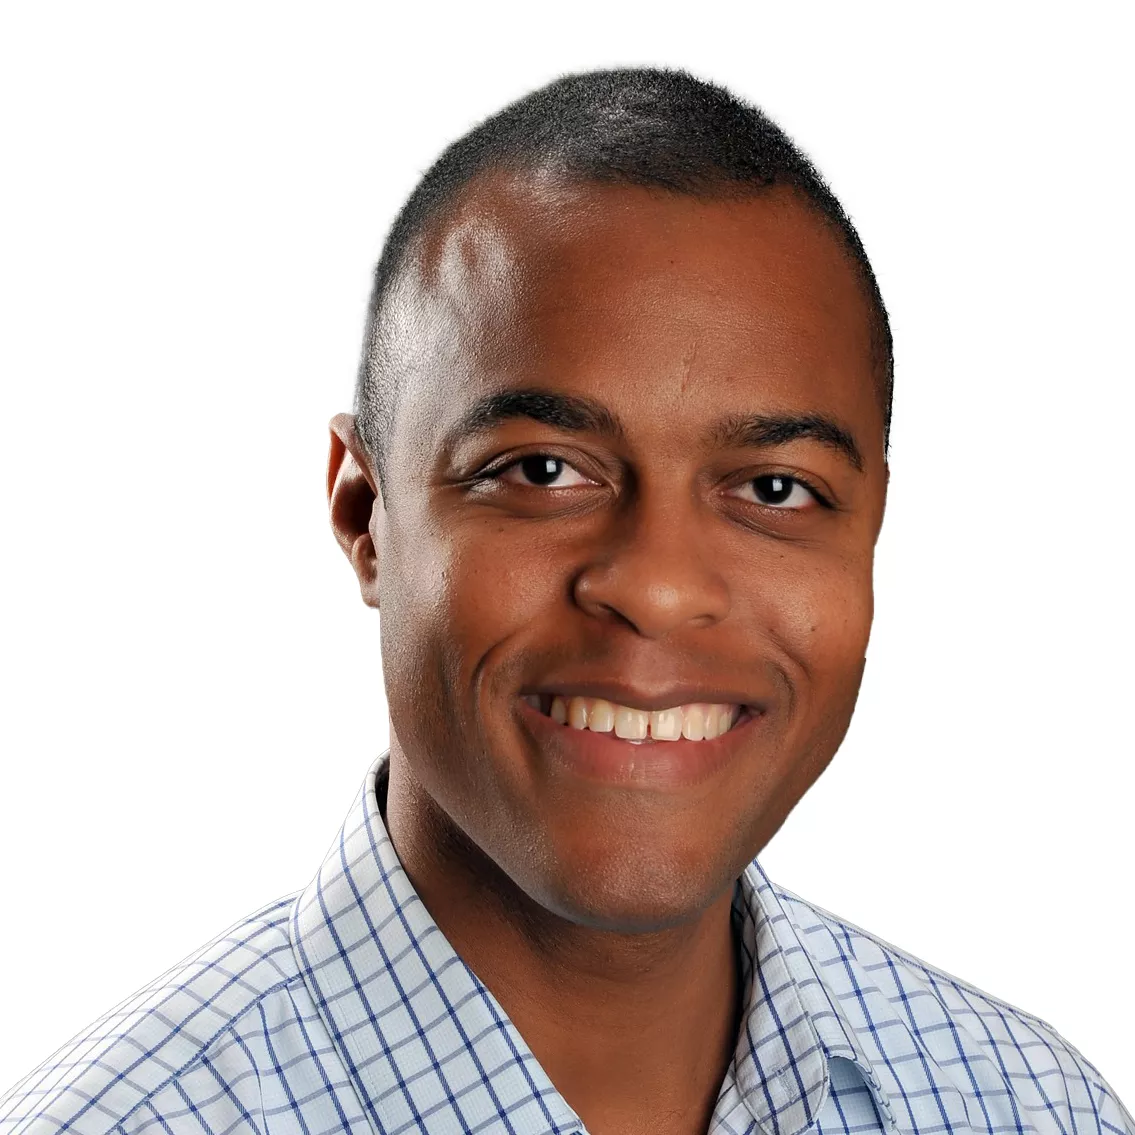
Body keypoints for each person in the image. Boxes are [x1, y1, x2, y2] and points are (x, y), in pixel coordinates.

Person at [1, 66, 1129, 1135]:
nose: (656, 587)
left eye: (775, 489)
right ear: (363, 515)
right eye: (540, 470)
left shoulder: (1029, 1106)